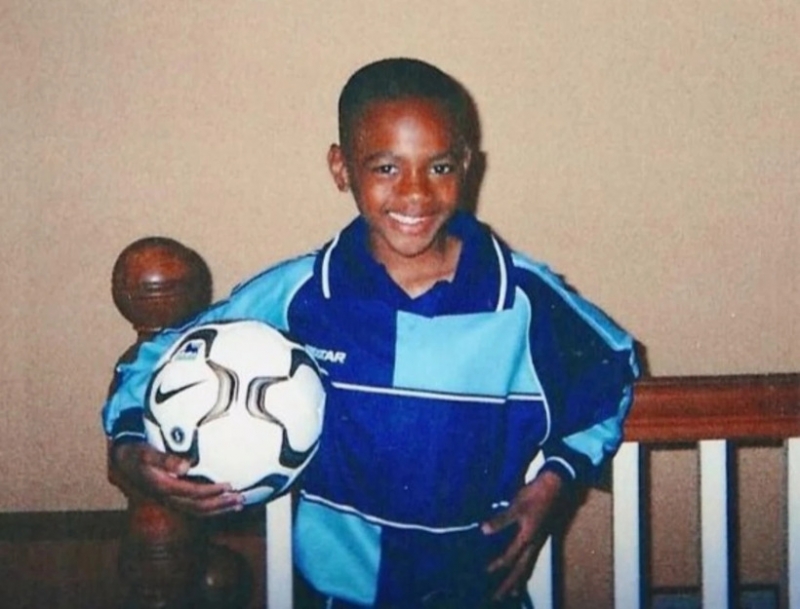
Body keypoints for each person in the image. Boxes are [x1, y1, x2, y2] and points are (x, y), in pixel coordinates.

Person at [104, 57, 639, 608]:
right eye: (386, 168)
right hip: (337, 598)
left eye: (439, 167)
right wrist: (130, 453)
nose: (416, 194)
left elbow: (613, 371)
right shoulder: (301, 293)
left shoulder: (522, 301)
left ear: (466, 165)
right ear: (341, 169)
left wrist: (554, 483)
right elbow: (155, 357)